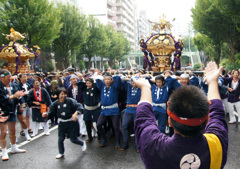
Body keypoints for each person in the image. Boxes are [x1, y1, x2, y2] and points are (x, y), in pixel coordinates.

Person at [134, 62, 228, 169]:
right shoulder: (216, 144)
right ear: (207, 120)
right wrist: (213, 82)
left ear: (170, 121)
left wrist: (145, 88)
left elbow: (144, 118)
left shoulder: (154, 147)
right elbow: (217, 112)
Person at [42, 88, 86, 159]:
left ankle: (82, 143)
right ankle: (61, 152)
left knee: (73, 139)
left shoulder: (70, 101)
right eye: (61, 94)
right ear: (58, 95)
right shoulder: (55, 103)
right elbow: (51, 112)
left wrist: (75, 114)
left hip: (71, 122)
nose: (63, 96)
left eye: (64, 94)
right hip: (62, 123)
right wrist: (46, 114)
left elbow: (79, 106)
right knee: (60, 139)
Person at [0, 69, 26, 161]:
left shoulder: (13, 85)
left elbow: (17, 97)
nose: (10, 79)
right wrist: (14, 96)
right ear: (2, 78)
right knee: (3, 132)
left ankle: (14, 147)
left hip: (12, 110)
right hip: (2, 111)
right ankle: (3, 151)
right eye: (8, 77)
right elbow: (2, 99)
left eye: (11, 77)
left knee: (13, 130)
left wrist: (19, 98)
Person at [95, 73, 121, 148]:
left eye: (108, 79)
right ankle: (104, 138)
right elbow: (97, 80)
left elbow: (117, 78)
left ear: (111, 80)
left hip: (114, 110)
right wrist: (100, 76)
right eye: (105, 79)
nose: (107, 81)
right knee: (98, 125)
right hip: (104, 110)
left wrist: (112, 76)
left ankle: (118, 141)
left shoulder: (115, 87)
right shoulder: (102, 86)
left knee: (116, 127)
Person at [120, 76, 141, 151]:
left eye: (135, 83)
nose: (134, 84)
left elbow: (148, 80)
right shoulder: (128, 86)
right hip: (128, 109)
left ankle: (137, 144)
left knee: (137, 127)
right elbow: (119, 79)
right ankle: (125, 143)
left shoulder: (142, 88)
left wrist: (139, 79)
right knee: (124, 126)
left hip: (137, 110)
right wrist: (130, 78)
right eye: (132, 83)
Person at [78, 78, 101, 143]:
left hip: (95, 108)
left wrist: (94, 81)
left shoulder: (96, 88)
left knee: (97, 123)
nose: (88, 84)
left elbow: (99, 85)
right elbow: (79, 84)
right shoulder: (84, 88)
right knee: (87, 123)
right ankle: (89, 137)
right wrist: (83, 80)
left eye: (90, 83)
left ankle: (99, 136)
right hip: (87, 108)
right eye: (87, 83)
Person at [17, 73, 32, 140]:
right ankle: (22, 129)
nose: (25, 78)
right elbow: (18, 94)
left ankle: (28, 128)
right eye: (23, 77)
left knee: (28, 116)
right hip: (22, 102)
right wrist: (26, 93)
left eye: (26, 77)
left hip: (28, 101)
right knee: (22, 117)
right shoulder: (18, 85)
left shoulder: (28, 84)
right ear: (20, 78)